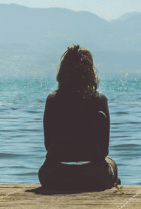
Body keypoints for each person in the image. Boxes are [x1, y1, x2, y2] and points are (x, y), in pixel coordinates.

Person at [38, 45, 120, 190]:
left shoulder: (52, 100)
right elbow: (104, 150)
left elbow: (48, 145)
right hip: (94, 176)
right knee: (111, 163)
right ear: (90, 72)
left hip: (54, 176)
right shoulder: (99, 100)